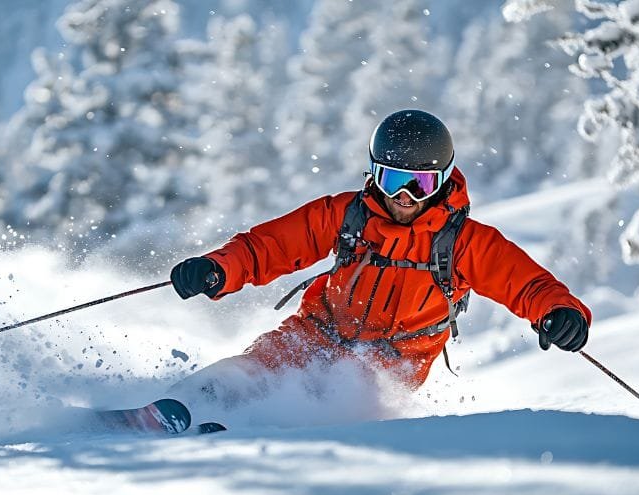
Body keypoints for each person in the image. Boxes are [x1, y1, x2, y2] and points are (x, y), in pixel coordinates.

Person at [167, 109, 591, 420]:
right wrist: (217, 268)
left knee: (330, 395)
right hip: (315, 333)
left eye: (421, 184)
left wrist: (560, 312)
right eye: (393, 180)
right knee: (249, 370)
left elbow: (527, 284)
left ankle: (257, 429)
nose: (405, 196)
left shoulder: (462, 242)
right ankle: (178, 407)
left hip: (389, 361)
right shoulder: (346, 216)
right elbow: (268, 247)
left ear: (443, 182)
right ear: (373, 175)